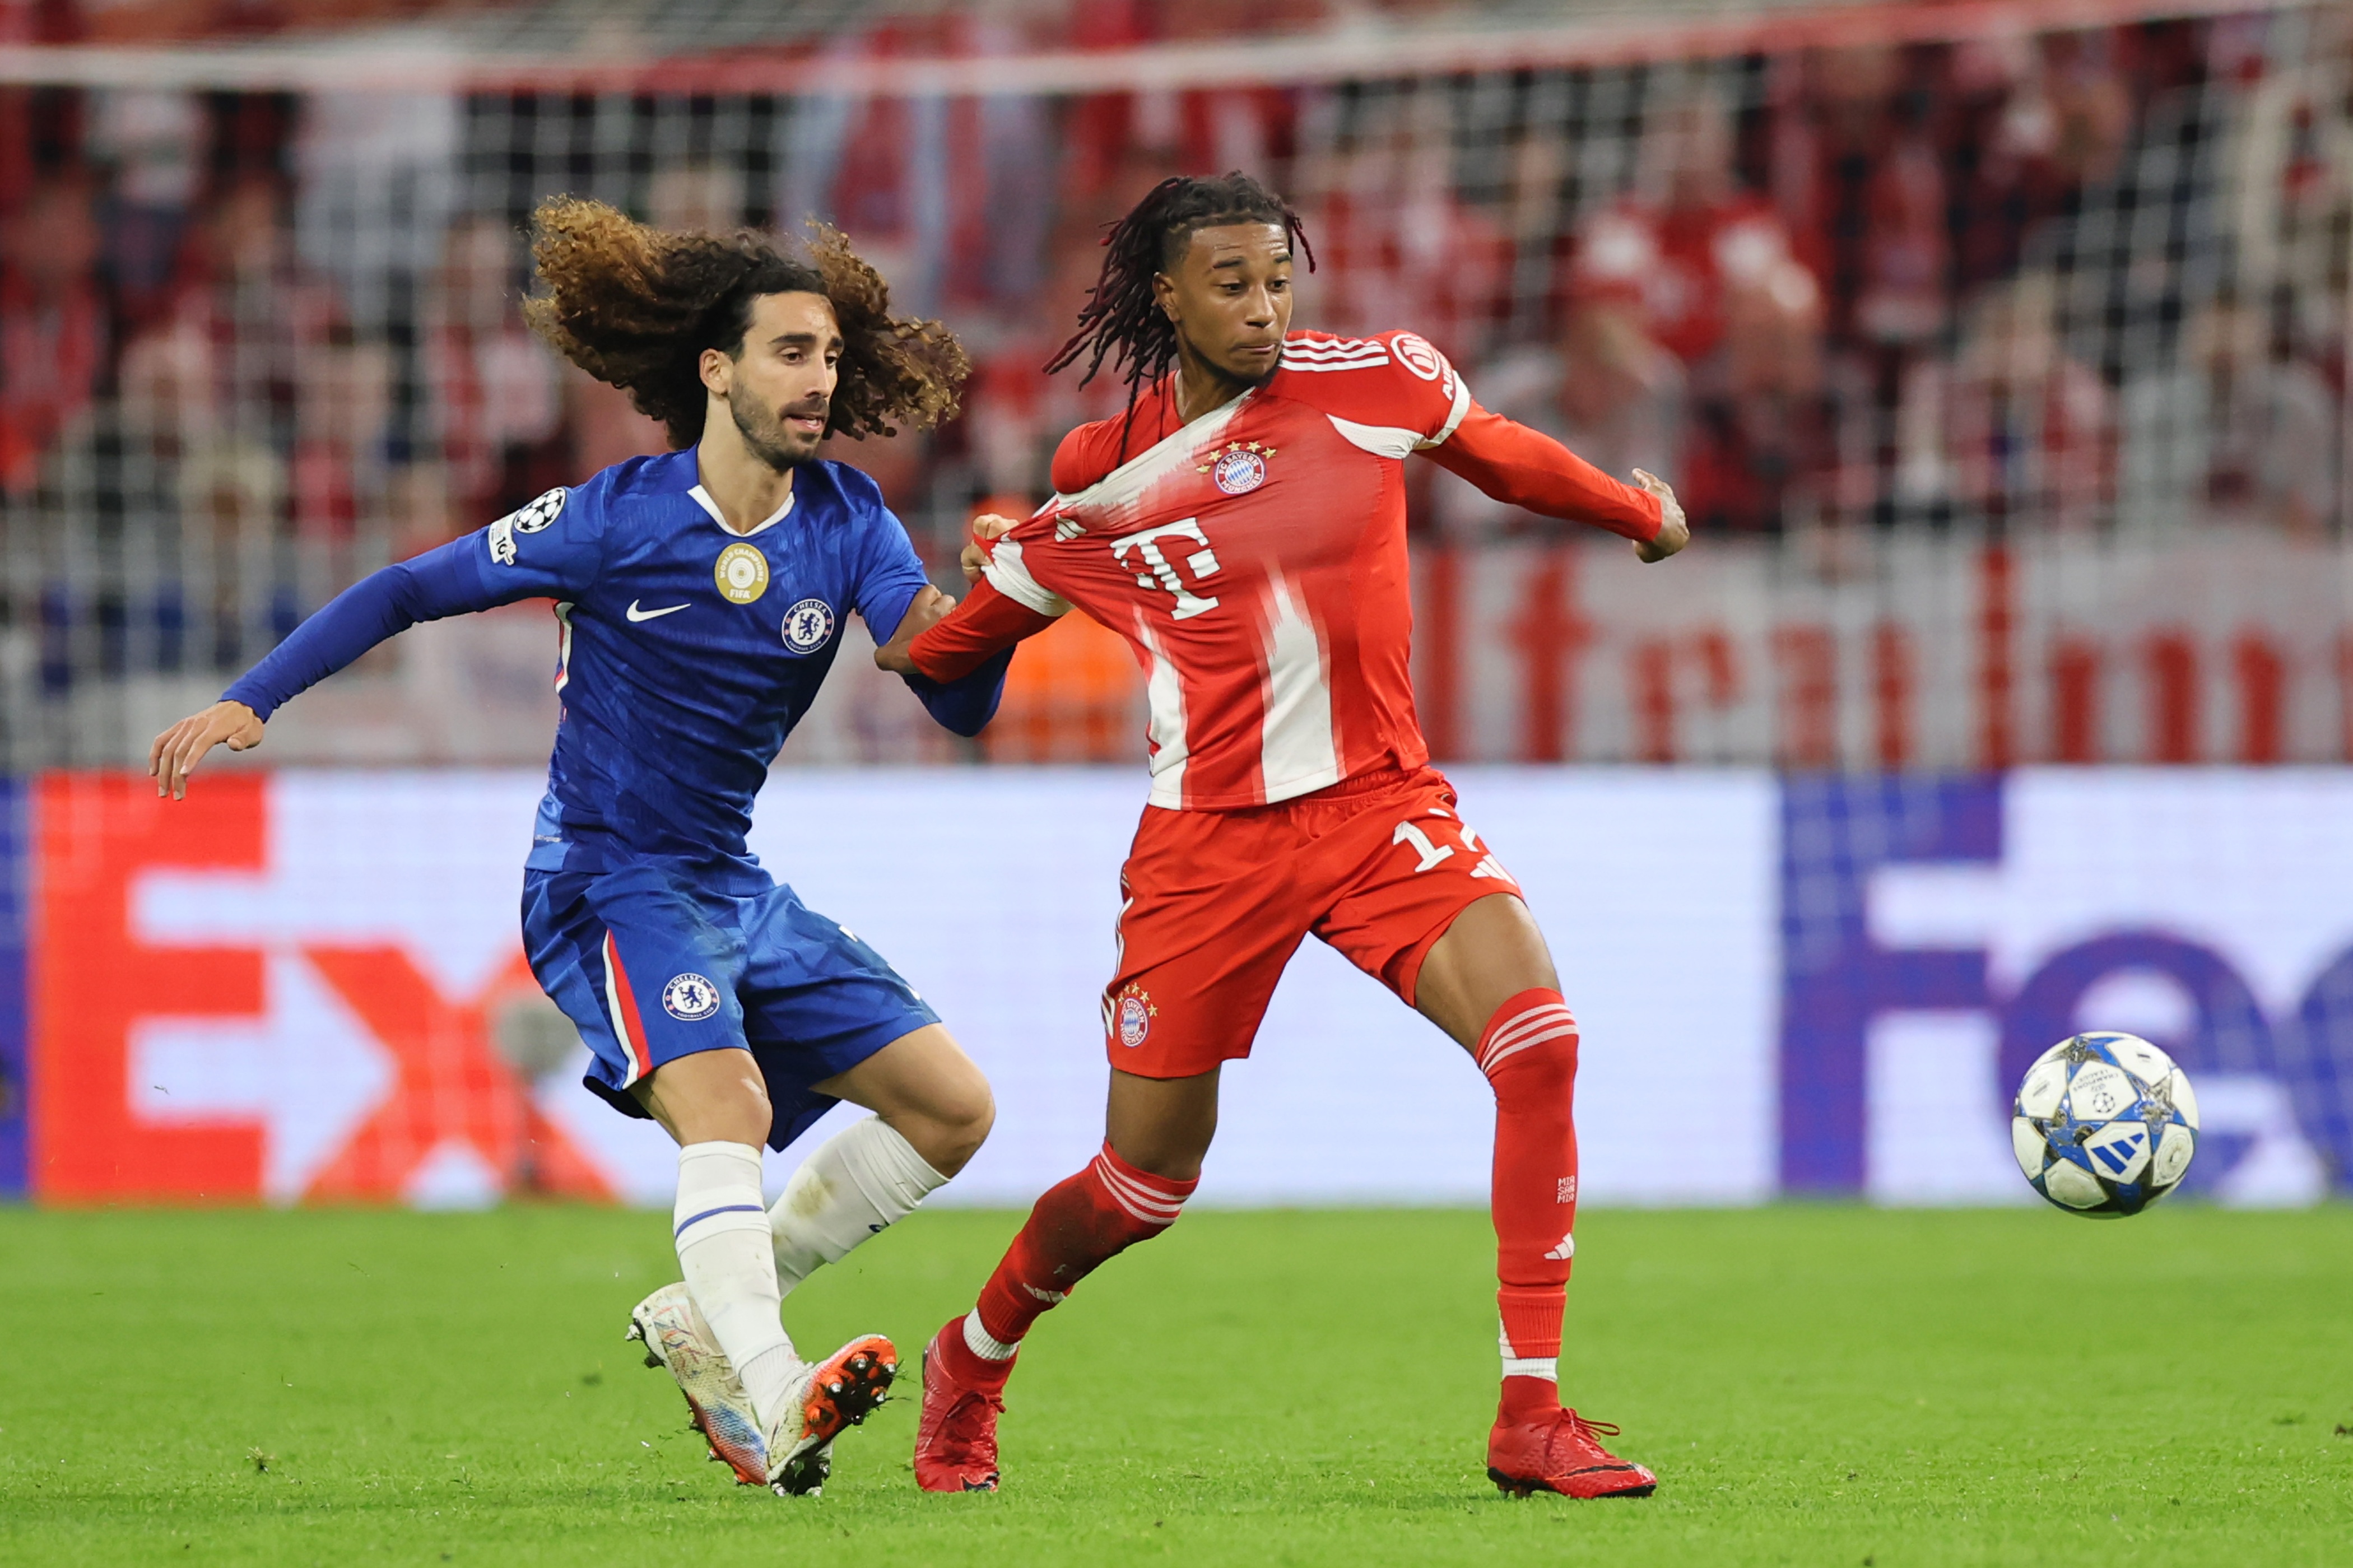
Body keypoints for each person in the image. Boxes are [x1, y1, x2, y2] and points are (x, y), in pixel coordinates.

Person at [147, 198, 1005, 1498]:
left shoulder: (851, 522)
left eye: (829, 355)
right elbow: (407, 588)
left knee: (955, 1107)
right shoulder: (612, 520)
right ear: (715, 369)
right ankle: (777, 1395)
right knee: (729, 1108)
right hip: (606, 879)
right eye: (789, 352)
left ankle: (705, 1314)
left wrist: (1001, 613)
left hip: (732, 881)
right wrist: (253, 697)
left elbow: (955, 700)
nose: (819, 380)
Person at [873, 173, 1690, 1500]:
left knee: (1540, 1041)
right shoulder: (1098, 478)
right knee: (1141, 1187)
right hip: (1206, 851)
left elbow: (1493, 449)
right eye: (1234, 284)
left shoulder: (1373, 381)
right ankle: (971, 1357)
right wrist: (966, 584)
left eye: (1278, 280)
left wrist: (1635, 511)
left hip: (1379, 805)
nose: (1265, 309)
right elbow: (950, 661)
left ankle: (1532, 1412)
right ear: (1168, 296)